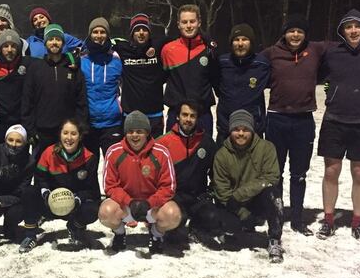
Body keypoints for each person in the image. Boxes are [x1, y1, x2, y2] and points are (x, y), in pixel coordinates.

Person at [316, 9, 360, 241]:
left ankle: (357, 223)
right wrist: (332, 90)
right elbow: (320, 74)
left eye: (357, 26)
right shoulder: (332, 52)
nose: (353, 30)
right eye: (348, 26)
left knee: (359, 173)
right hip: (334, 120)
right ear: (342, 31)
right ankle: (328, 220)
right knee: (331, 171)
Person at [261, 13, 328, 236]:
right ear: (284, 33)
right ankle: (276, 215)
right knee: (275, 173)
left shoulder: (315, 50)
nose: (295, 35)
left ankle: (298, 219)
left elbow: (340, 50)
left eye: (300, 31)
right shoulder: (272, 53)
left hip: (303, 120)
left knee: (299, 174)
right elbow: (251, 63)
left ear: (305, 34)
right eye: (291, 31)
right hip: (277, 119)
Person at [209, 110, 286, 263]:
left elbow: (272, 178)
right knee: (230, 230)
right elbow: (222, 190)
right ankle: (238, 227)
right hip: (233, 204)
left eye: (245, 129)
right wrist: (242, 213)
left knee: (274, 196)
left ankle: (274, 239)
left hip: (256, 199)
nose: (241, 133)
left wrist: (241, 194)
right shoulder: (222, 155)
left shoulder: (266, 148)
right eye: (236, 129)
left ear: (252, 130)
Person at [99, 111, 181, 254]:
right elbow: (110, 186)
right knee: (106, 212)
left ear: (147, 133)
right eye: (130, 131)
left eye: (139, 131)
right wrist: (129, 202)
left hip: (151, 207)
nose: (134, 135)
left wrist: (149, 203)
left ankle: (156, 235)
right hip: (126, 206)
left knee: (173, 215)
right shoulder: (114, 151)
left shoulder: (161, 152)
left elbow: (168, 187)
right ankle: (119, 234)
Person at [18, 119, 101, 253]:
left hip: (74, 207)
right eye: (65, 133)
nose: (69, 138)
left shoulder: (89, 158)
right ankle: (30, 235)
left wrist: (77, 199)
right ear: (60, 134)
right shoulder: (49, 153)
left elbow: (92, 191)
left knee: (94, 208)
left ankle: (75, 227)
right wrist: (46, 194)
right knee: (29, 192)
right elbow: (40, 178)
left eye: (73, 133)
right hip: (51, 204)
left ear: (80, 136)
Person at [21, 23, 89, 157]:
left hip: (67, 132)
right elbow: (27, 100)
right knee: (41, 168)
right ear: (45, 43)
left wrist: (80, 126)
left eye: (58, 39)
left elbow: (81, 100)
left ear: (63, 42)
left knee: (66, 168)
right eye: (51, 39)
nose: (54, 42)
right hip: (42, 132)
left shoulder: (72, 68)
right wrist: (30, 129)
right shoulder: (36, 68)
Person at [155, 100, 217, 242]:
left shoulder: (206, 142)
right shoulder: (163, 143)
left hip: (197, 197)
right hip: (173, 197)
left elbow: (216, 173)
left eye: (192, 116)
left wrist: (210, 193)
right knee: (175, 222)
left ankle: (196, 228)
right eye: (185, 115)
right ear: (177, 116)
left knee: (213, 217)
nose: (188, 119)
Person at [161, 4, 218, 132]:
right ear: (178, 24)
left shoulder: (208, 50)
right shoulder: (168, 50)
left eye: (192, 21)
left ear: (199, 23)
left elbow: (216, 80)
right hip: (176, 114)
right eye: (184, 22)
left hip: (202, 115)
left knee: (205, 145)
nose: (188, 26)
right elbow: (161, 77)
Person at [213, 23, 270, 145]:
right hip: (226, 129)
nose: (240, 43)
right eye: (236, 40)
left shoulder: (262, 65)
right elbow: (216, 87)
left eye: (244, 39)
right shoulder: (222, 63)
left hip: (254, 130)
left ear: (251, 42)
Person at [113, 13, 166, 137]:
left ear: (149, 33)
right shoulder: (123, 48)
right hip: (130, 114)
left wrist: (153, 46)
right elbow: (102, 42)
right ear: (132, 33)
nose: (141, 33)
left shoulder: (158, 46)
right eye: (137, 30)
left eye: (145, 29)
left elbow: (175, 39)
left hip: (154, 114)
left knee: (155, 149)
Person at [80, 17, 123, 159]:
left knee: (114, 165)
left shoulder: (116, 58)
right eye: (95, 32)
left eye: (102, 32)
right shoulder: (81, 59)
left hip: (112, 122)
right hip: (89, 123)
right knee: (89, 167)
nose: (99, 35)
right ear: (90, 34)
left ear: (108, 35)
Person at [0, 29, 29, 142]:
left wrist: (69, 58)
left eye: (13, 46)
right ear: (0, 48)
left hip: (19, 123)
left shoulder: (27, 64)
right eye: (5, 46)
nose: (9, 50)